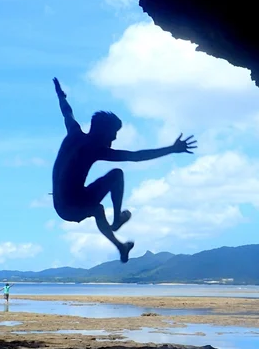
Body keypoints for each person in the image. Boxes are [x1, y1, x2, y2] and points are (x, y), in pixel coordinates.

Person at [51, 77, 196, 262]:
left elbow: (67, 113)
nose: (114, 139)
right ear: (103, 133)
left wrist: (60, 96)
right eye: (113, 134)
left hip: (61, 204)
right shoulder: (94, 149)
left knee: (98, 208)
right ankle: (117, 221)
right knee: (115, 178)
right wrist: (172, 149)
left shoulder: (74, 132)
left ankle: (121, 246)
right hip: (71, 207)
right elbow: (136, 156)